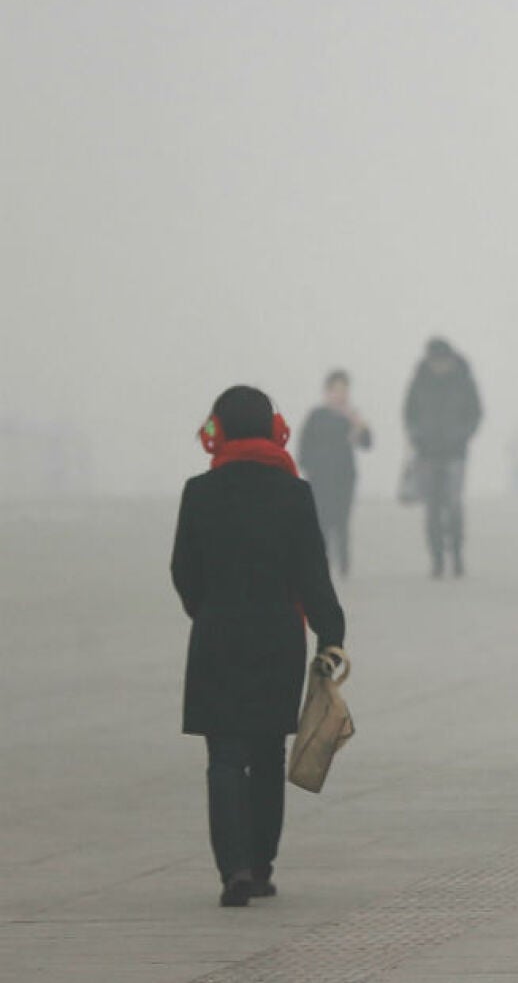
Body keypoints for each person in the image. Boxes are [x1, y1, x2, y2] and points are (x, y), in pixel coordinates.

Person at [171, 386, 346, 907]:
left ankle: (234, 871)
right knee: (268, 752)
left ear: (216, 432)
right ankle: (263, 863)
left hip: (217, 636)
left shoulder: (198, 492)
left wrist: (208, 611)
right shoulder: (294, 494)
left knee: (223, 755)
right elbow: (313, 575)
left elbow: (184, 572)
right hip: (277, 638)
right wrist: (331, 635)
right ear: (275, 430)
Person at [403, 338, 483, 578]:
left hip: (455, 453)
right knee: (432, 508)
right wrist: (417, 436)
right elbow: (409, 413)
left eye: (441, 362)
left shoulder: (464, 380)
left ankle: (457, 556)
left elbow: (476, 413)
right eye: (433, 362)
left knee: (454, 505)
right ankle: (437, 559)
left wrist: (463, 435)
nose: (438, 366)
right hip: (426, 453)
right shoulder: (420, 380)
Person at [296, 370, 372, 577]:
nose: (341, 395)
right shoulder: (316, 416)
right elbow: (304, 446)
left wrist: (359, 424)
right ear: (327, 392)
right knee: (322, 521)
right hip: (319, 477)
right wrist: (308, 468)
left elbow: (366, 443)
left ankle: (344, 564)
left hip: (344, 477)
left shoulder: (351, 417)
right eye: (337, 390)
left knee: (342, 521)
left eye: (344, 390)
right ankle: (323, 562)